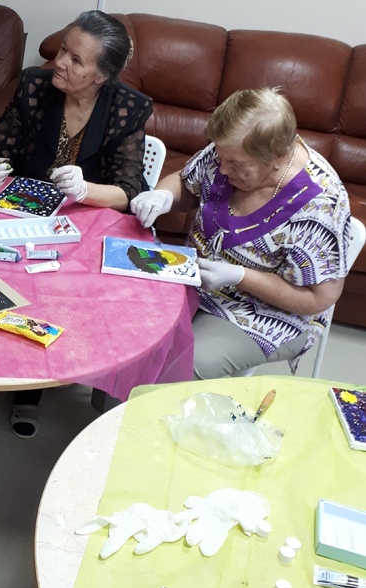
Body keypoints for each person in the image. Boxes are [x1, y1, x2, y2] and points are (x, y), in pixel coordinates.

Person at [0, 10, 152, 437]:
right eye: (63, 51)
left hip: (87, 223)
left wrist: (85, 189)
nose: (59, 63)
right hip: (24, 216)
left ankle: (35, 385)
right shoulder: (35, 87)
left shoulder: (128, 107)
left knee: (63, 286)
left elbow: (129, 189)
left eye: (76, 60)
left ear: (101, 76)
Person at [130, 88, 351, 379]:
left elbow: (319, 298)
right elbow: (187, 183)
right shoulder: (231, 150)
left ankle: (142, 408)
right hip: (193, 278)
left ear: (278, 157)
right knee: (129, 328)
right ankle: (116, 406)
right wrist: (163, 196)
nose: (222, 169)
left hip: (262, 312)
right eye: (221, 156)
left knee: (183, 363)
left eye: (236, 164)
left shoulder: (321, 204)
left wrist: (240, 276)